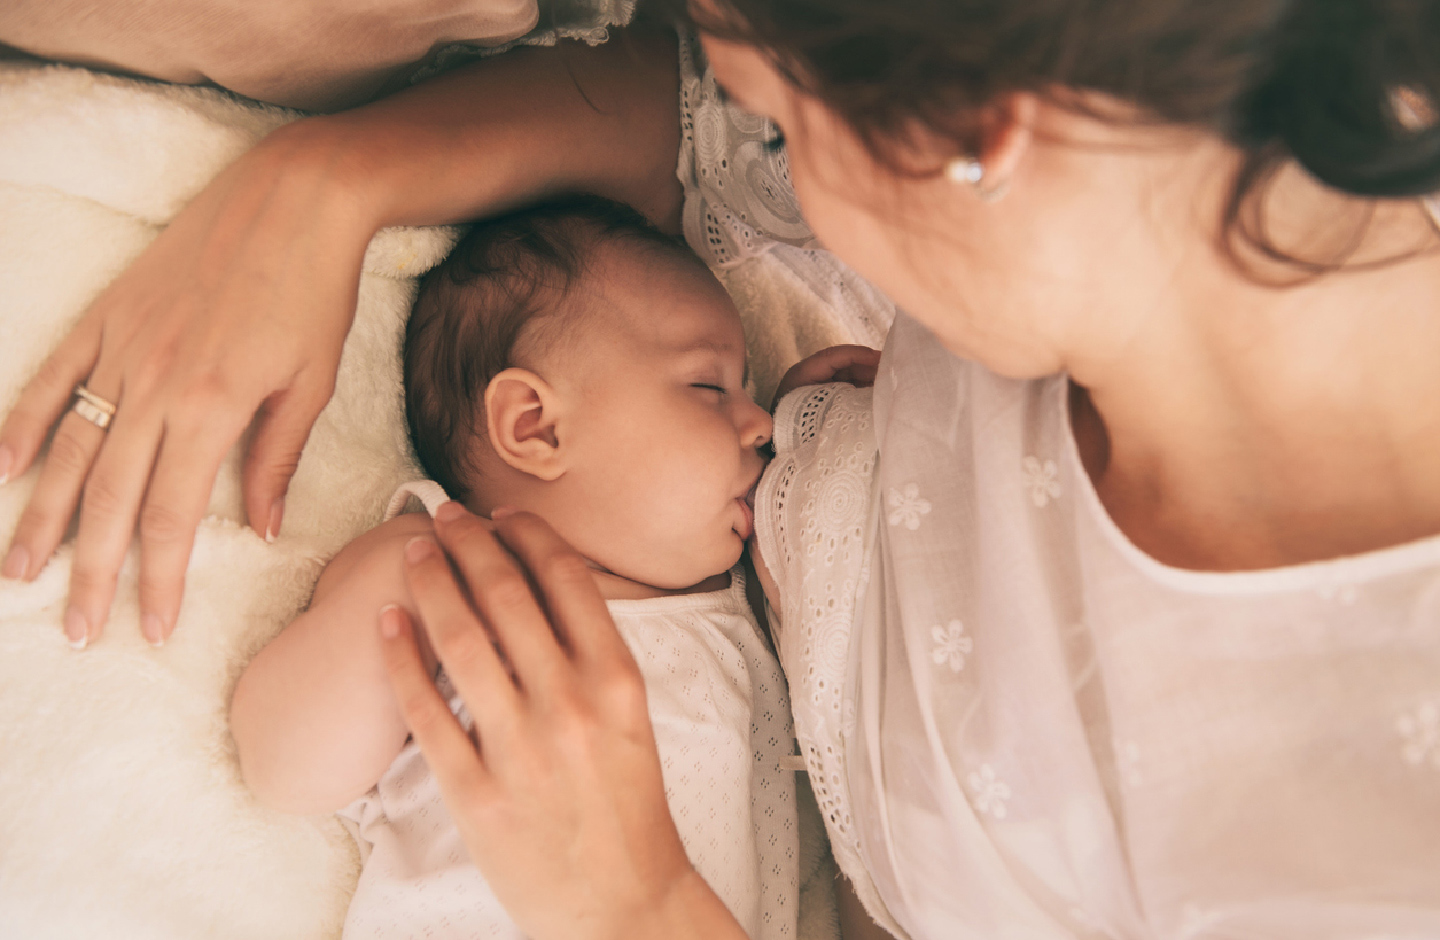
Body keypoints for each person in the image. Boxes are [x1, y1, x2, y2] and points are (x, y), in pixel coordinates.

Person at [4, 1, 1440, 937]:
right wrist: (321, 188)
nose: (784, 185)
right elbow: (693, 130)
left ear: (972, 142)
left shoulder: (1354, 829)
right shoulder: (1153, 186)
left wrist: (631, 901)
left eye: (796, 126)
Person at [230, 194, 859, 939]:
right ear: (534, 426)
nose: (757, 424)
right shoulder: (443, 572)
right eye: (707, 387)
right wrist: (394, 587)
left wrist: (839, 449)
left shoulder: (748, 599)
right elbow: (284, 772)